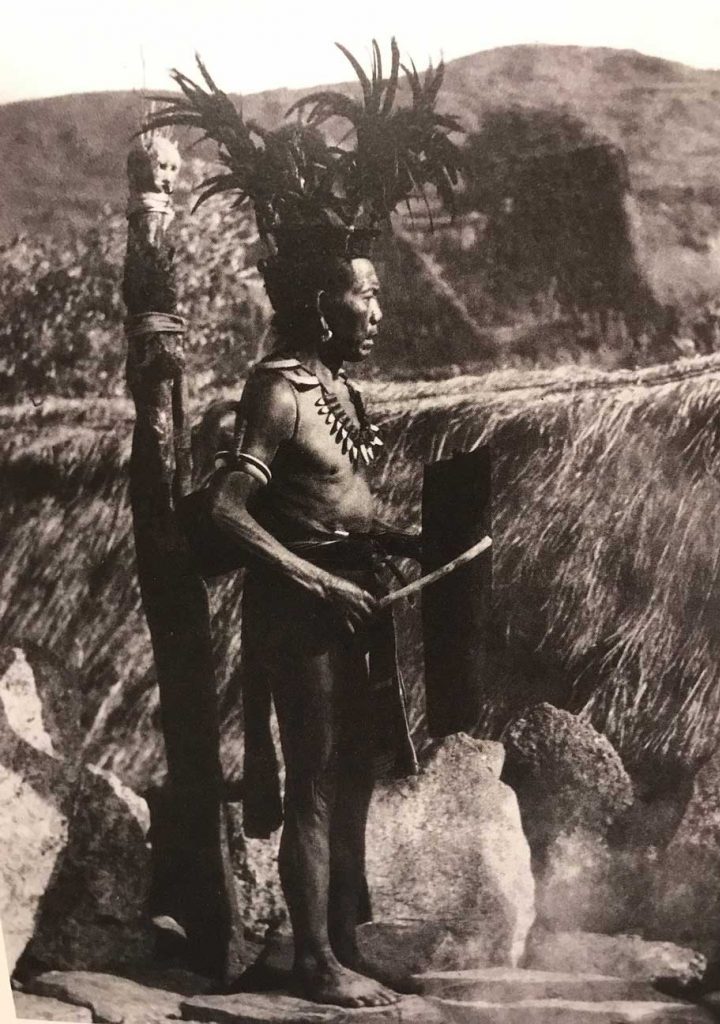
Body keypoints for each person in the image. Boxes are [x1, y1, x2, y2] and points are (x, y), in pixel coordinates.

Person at [149, 41, 462, 1007]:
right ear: (319, 305)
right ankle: (314, 964)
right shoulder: (278, 391)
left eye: (375, 290)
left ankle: (338, 939)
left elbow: (345, 500)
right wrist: (316, 578)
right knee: (318, 784)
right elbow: (225, 510)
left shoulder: (343, 395)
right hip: (303, 610)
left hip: (357, 601)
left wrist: (415, 543)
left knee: (358, 774)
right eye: (363, 292)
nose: (377, 306)